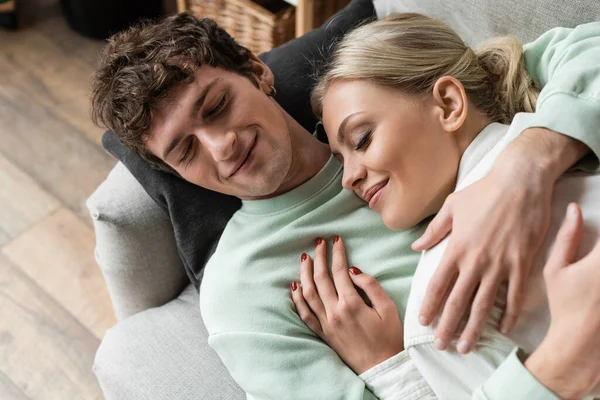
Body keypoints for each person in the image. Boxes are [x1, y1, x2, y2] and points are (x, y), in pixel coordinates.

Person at [90, 13, 600, 399]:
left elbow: (568, 55)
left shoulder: (375, 98)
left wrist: (527, 166)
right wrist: (388, 364)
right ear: (176, 174)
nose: (219, 145)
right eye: (185, 150)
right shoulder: (243, 294)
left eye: (217, 106)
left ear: (257, 71)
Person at [292, 13, 600, 399]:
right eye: (341, 160)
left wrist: (526, 164)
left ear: (451, 104)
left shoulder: (443, 307)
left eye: (362, 138)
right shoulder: (565, 112)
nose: (348, 178)